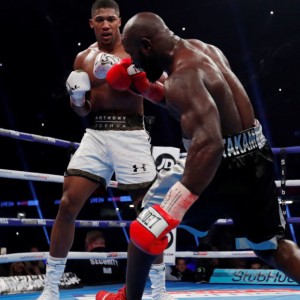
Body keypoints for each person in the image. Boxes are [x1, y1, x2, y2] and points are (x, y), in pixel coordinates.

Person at [96, 12, 300, 300]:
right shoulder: (204, 49)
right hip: (255, 155)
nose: (133, 63)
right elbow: (198, 105)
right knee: (271, 247)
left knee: (146, 226)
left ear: (147, 45)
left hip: (216, 163)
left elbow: (210, 142)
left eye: (132, 54)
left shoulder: (183, 78)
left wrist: (174, 207)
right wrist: (149, 90)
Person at [37, 3, 172, 299]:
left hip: (131, 134)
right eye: (100, 20)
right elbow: (82, 110)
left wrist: (133, 75)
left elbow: (162, 89)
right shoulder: (82, 58)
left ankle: (160, 290)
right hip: (96, 133)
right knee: (67, 203)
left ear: (119, 21)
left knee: (148, 214)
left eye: (111, 19)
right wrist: (75, 100)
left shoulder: (137, 51)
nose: (106, 24)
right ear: (92, 23)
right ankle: (50, 288)